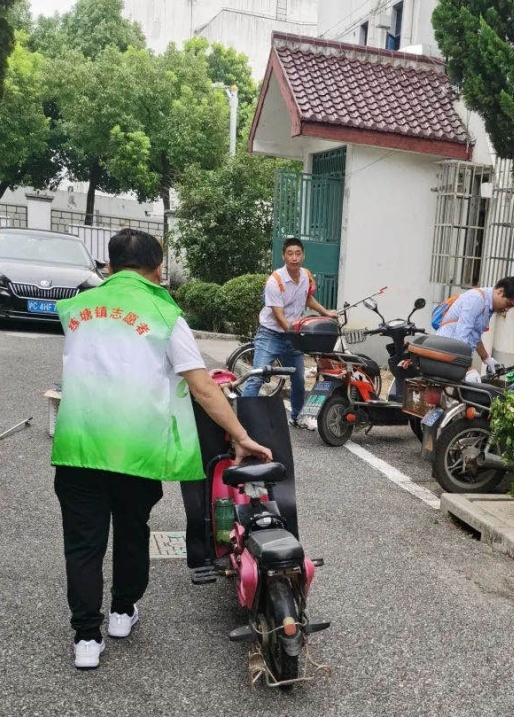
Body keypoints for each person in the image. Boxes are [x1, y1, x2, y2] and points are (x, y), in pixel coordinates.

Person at [51, 228, 272, 671]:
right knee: (132, 530)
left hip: (78, 445)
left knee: (83, 543)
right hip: (135, 449)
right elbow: (203, 387)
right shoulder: (165, 314)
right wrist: (240, 434)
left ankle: (86, 638)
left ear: (109, 266)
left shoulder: (77, 309)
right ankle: (121, 613)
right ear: (157, 270)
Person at [242, 236, 338, 427]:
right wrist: (297, 336)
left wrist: (326, 312)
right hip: (271, 335)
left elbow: (307, 298)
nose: (294, 257)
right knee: (256, 377)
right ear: (283, 256)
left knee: (299, 380)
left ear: (303, 255)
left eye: (298, 253)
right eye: (290, 253)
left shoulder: (306, 276)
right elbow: (278, 315)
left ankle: (297, 417)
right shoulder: (275, 280)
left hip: (293, 336)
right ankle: (242, 420)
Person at [435, 276, 514, 383]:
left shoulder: (488, 306)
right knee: (443, 390)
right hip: (446, 352)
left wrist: (486, 358)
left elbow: (475, 336)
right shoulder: (477, 299)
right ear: (500, 292)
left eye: (511, 307)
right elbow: (461, 336)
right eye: (508, 304)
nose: (507, 309)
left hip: (455, 355)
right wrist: (468, 368)